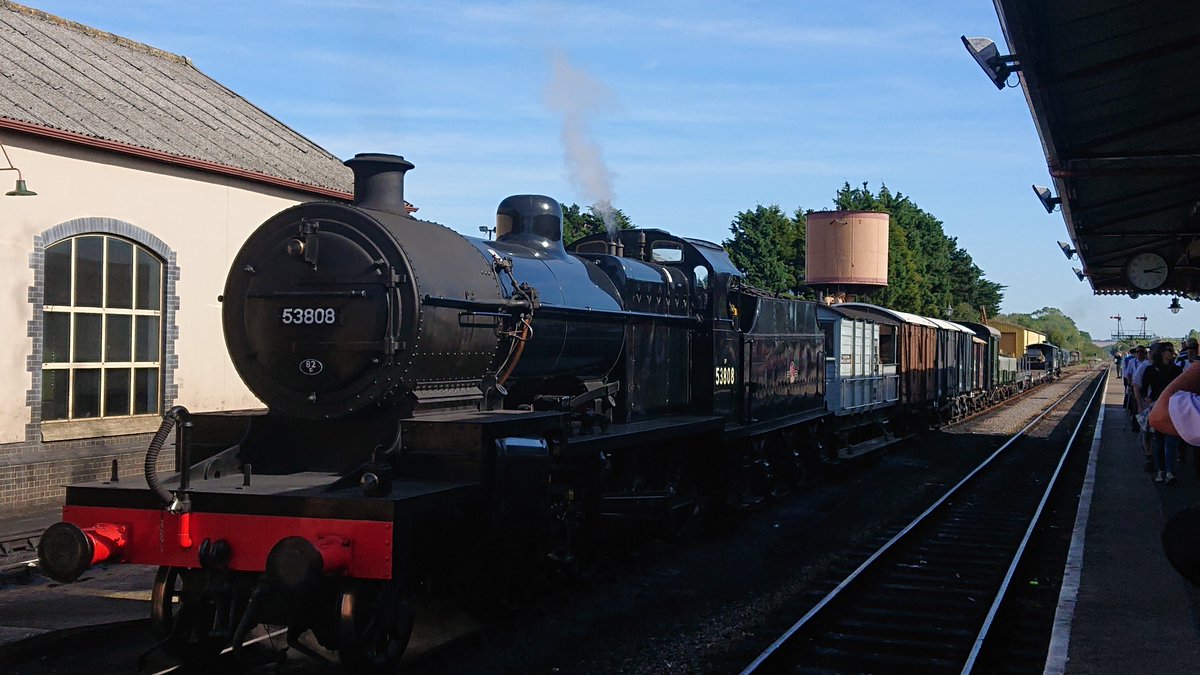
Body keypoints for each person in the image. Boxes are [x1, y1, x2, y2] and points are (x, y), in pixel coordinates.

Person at [1139, 342, 1182, 483]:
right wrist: (1147, 399)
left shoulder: (1177, 371)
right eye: (1169, 350)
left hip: (1172, 408)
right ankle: (1161, 470)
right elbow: (1143, 388)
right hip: (1157, 408)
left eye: (1172, 351)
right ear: (1162, 352)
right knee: (1159, 442)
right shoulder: (1151, 370)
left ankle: (1169, 472)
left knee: (1171, 441)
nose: (1172, 353)